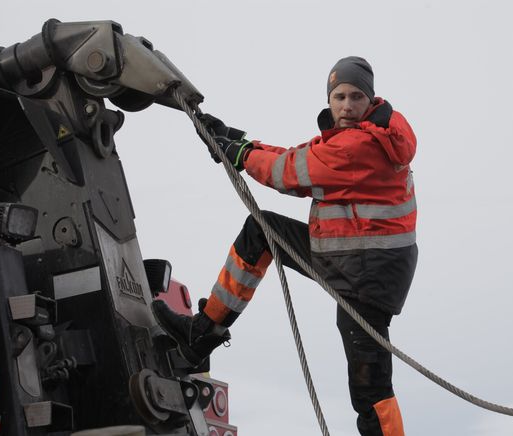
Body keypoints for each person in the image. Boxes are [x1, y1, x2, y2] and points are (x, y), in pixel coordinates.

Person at [152, 56, 417, 436]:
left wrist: (240, 155)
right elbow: (301, 156)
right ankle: (203, 332)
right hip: (353, 259)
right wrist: (240, 141)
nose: (345, 105)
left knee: (370, 388)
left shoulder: (361, 146)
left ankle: (203, 333)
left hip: (364, 274)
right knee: (261, 231)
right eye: (338, 96)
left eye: (355, 96)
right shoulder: (371, 132)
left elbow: (290, 173)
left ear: (370, 100)